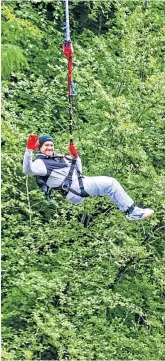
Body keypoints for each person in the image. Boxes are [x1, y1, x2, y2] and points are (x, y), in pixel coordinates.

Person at [23, 134, 154, 221]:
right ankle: (132, 213)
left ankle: (130, 210)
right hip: (74, 189)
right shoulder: (41, 163)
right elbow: (28, 170)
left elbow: (78, 170)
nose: (50, 148)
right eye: (46, 145)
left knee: (111, 186)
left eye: (51, 145)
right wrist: (29, 150)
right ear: (40, 148)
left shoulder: (59, 158)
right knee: (111, 184)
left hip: (79, 183)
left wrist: (75, 156)